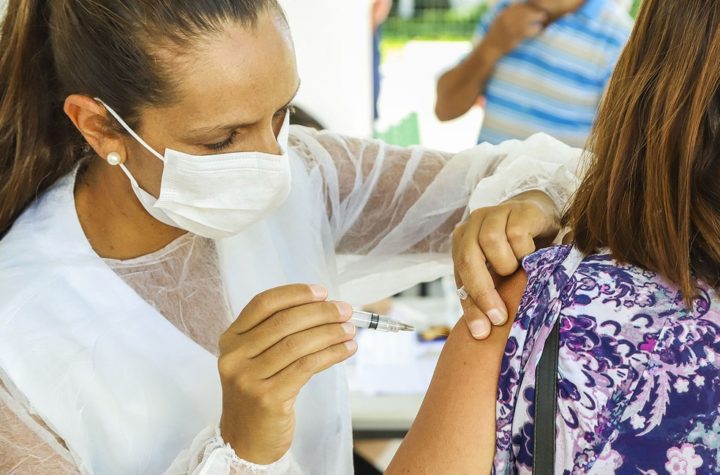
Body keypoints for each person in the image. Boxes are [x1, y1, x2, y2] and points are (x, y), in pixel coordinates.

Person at [0, 0, 582, 473]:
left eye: (281, 115)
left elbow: (556, 175)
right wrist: (241, 450)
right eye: (222, 139)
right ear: (100, 125)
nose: (271, 162)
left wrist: (529, 199)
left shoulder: (311, 173)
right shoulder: (19, 336)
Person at [388, 0, 720, 473]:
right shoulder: (504, 15)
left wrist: (555, 198)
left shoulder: (611, 35)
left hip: (555, 253)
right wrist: (493, 45)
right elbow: (446, 104)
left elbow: (634, 154)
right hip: (507, 244)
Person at [435, 0, 632, 147]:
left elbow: (617, 151)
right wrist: (491, 47)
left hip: (559, 200)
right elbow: (445, 109)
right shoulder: (504, 11)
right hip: (484, 195)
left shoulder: (620, 37)